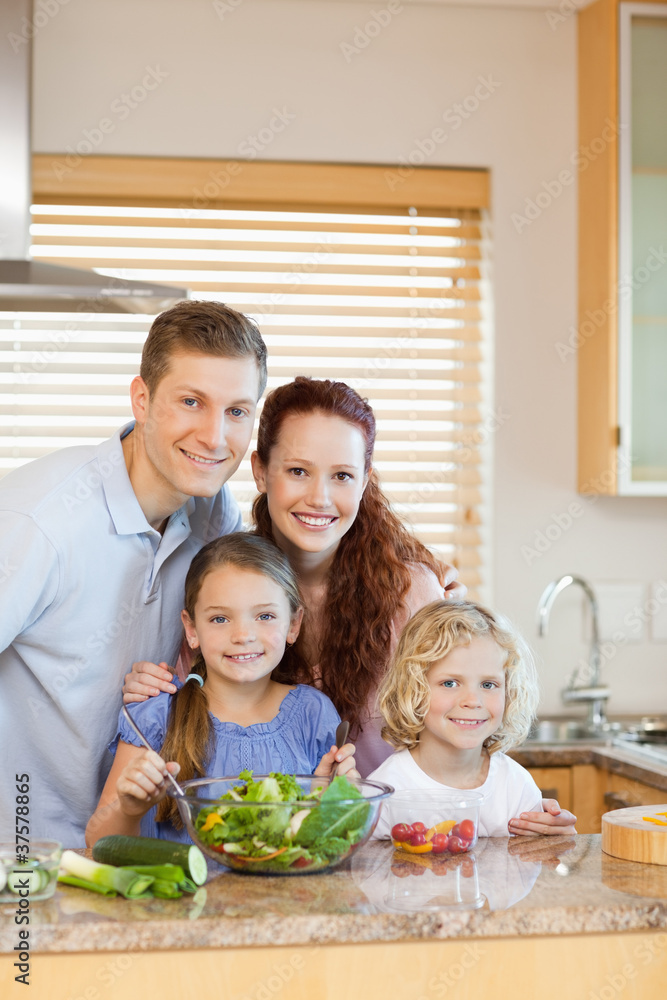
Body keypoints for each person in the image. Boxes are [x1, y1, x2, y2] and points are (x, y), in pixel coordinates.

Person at [127, 376, 575, 833]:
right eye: (298, 471)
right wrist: (158, 684)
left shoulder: (413, 591)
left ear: (365, 480)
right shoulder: (232, 585)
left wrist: (523, 814)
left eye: (342, 475)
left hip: (403, 840)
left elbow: (464, 712)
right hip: (286, 847)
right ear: (261, 471)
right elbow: (194, 703)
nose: (319, 498)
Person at [0, 300, 267, 846]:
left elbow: (272, 602)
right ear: (142, 400)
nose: (216, 437)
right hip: (21, 856)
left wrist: (414, 571)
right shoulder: (39, 522)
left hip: (128, 850)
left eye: (237, 411)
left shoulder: (212, 512)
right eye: (192, 402)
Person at [87, 534, 357, 846]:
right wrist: (129, 809)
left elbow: (332, 841)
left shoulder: (314, 714)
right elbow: (98, 841)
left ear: (293, 625)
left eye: (265, 616)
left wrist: (332, 799)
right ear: (191, 629)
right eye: (219, 618)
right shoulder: (154, 714)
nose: (243, 635)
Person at [368, 600, 575, 838]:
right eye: (450, 683)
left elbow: (529, 869)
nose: (472, 700)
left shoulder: (516, 787)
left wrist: (555, 844)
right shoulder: (385, 793)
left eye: (488, 684)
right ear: (412, 688)